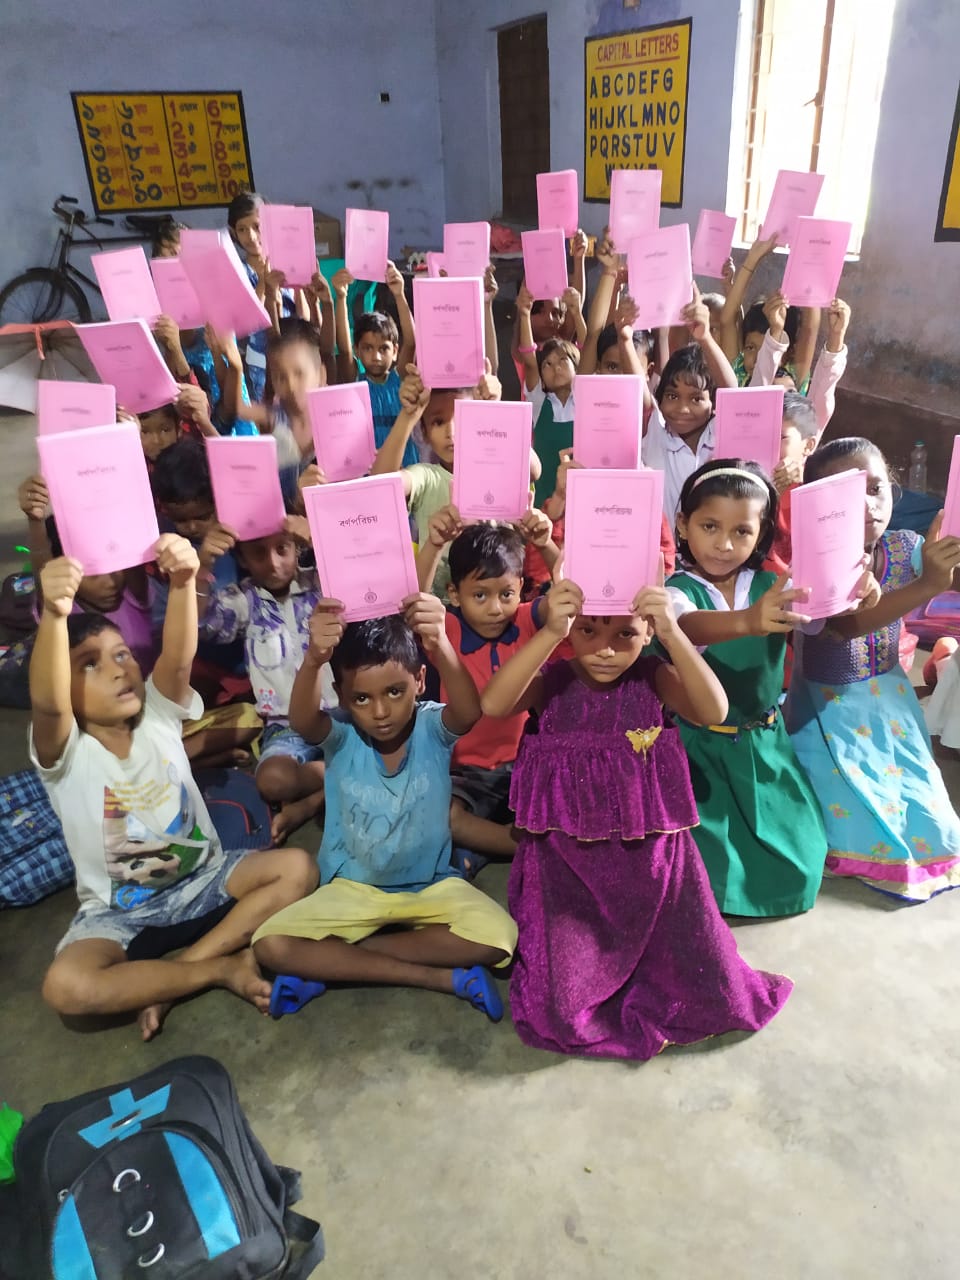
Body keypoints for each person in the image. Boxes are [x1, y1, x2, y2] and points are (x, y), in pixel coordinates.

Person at [479, 574, 792, 1058]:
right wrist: (549, 633)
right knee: (564, 1008)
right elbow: (494, 703)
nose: (605, 650)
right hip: (568, 881)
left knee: (705, 988)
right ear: (571, 628)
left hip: (653, 875)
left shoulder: (654, 677)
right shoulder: (552, 682)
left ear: (647, 632)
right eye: (588, 631)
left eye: (625, 633)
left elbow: (714, 709)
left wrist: (673, 633)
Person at [29, 540, 317, 1040]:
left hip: (207, 880)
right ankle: (219, 967)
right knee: (66, 988)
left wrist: (184, 582)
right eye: (90, 664)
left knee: (298, 868)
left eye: (122, 654)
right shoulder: (65, 755)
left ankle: (180, 972)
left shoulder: (159, 714)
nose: (118, 668)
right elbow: (49, 705)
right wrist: (54, 615)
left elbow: (179, 661)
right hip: (122, 914)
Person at [251, 598, 518, 1021]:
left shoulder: (432, 727)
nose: (380, 712)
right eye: (361, 698)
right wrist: (314, 658)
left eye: (395, 692)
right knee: (270, 944)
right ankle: (438, 978)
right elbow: (302, 721)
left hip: (430, 885)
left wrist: (441, 643)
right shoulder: (341, 734)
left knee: (500, 936)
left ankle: (338, 959)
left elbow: (468, 712)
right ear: (341, 695)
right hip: (353, 889)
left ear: (420, 680)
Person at [785, 437, 960, 901]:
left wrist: (948, 555)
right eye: (846, 495)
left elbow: (950, 577)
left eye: (876, 489)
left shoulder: (905, 545)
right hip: (828, 711)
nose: (867, 505)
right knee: (856, 814)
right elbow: (846, 626)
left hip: (892, 700)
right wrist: (929, 584)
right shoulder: (812, 564)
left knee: (932, 817)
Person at [668, 459, 828, 916]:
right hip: (700, 752)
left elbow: (817, 618)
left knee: (800, 862)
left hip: (764, 745)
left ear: (761, 535)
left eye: (742, 531)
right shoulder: (676, 591)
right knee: (703, 872)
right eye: (710, 526)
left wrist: (855, 591)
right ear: (683, 524)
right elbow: (687, 626)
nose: (724, 544)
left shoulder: (773, 585)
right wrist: (748, 621)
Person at [416, 509, 558, 865]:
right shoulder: (447, 628)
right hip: (464, 771)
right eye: (480, 595)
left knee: (564, 808)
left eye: (506, 594)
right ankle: (525, 848)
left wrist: (546, 545)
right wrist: (434, 544)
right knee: (441, 816)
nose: (495, 609)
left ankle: (483, 848)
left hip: (525, 765)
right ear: (454, 593)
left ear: (521, 588)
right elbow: (413, 601)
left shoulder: (527, 619)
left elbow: (568, 596)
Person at [197, 519, 334, 843]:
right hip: (285, 726)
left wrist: (322, 541)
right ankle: (337, 776)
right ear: (242, 559)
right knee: (273, 782)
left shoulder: (321, 583)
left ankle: (309, 803)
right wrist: (203, 566)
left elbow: (360, 583)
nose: (273, 563)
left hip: (337, 717)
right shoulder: (244, 600)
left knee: (391, 749)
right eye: (259, 554)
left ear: (296, 548)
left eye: (282, 549)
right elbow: (201, 625)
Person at [369, 362, 518, 601]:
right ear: (424, 432)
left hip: (496, 607)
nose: (451, 432)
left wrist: (493, 413)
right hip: (440, 610)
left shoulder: (498, 470)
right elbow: (378, 487)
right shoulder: (426, 476)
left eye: (461, 418)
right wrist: (408, 415)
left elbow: (534, 467)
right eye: (438, 422)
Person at [18, 480, 157, 676]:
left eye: (115, 568)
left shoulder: (133, 597)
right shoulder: (62, 610)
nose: (111, 583)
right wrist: (35, 522)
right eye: (94, 574)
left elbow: (129, 542)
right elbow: (44, 570)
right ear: (63, 572)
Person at [641, 286, 739, 523]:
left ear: (714, 403)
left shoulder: (719, 435)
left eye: (696, 399)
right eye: (672, 396)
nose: (682, 409)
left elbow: (731, 393)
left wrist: (704, 338)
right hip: (663, 547)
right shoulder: (656, 435)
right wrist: (624, 337)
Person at [332, 263, 418, 464]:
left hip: (405, 470)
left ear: (395, 351)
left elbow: (411, 343)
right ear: (357, 350)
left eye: (383, 349)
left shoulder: (401, 380)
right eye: (368, 348)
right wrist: (341, 298)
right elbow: (343, 349)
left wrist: (399, 295)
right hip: (368, 472)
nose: (376, 356)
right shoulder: (355, 382)